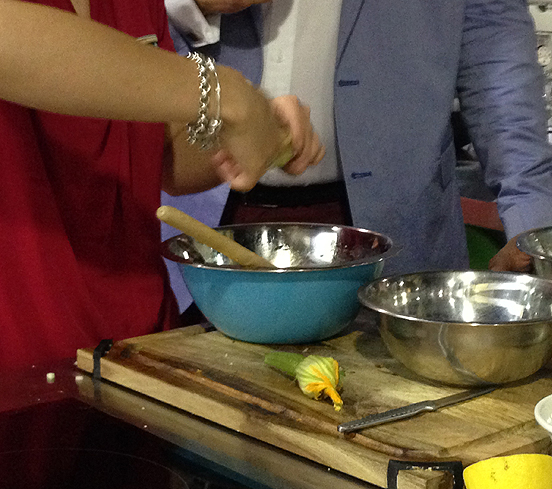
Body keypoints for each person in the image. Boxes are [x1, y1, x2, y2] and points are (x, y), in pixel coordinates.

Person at [0, 0, 322, 370]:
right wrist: (224, 93)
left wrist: (258, 133)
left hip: (138, 342)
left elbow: (164, 154)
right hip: (21, 361)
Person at [164, 0, 551, 294]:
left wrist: (532, 219)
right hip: (194, 227)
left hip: (398, 238)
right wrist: (187, 4)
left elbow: (494, 49)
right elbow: (131, 38)